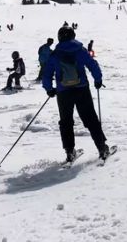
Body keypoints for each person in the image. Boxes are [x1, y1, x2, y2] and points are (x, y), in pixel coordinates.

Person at [42, 25, 111, 162]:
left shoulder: (55, 54)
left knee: (66, 122)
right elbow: (92, 64)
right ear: (73, 35)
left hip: (63, 93)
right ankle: (102, 147)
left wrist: (49, 89)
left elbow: (47, 73)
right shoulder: (80, 50)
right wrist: (98, 80)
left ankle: (69, 152)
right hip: (82, 89)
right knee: (90, 119)